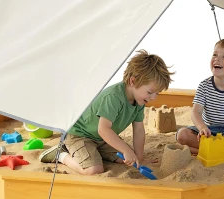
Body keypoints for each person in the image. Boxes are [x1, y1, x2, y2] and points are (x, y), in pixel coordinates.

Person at [41, 50, 173, 176]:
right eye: (150, 92)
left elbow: (138, 129)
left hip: (102, 139)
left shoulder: (140, 100)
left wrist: (139, 158)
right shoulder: (113, 97)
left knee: (129, 159)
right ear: (133, 81)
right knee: (94, 170)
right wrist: (126, 150)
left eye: (157, 93)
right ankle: (60, 154)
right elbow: (103, 129)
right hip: (79, 135)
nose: (153, 98)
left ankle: (95, 152)